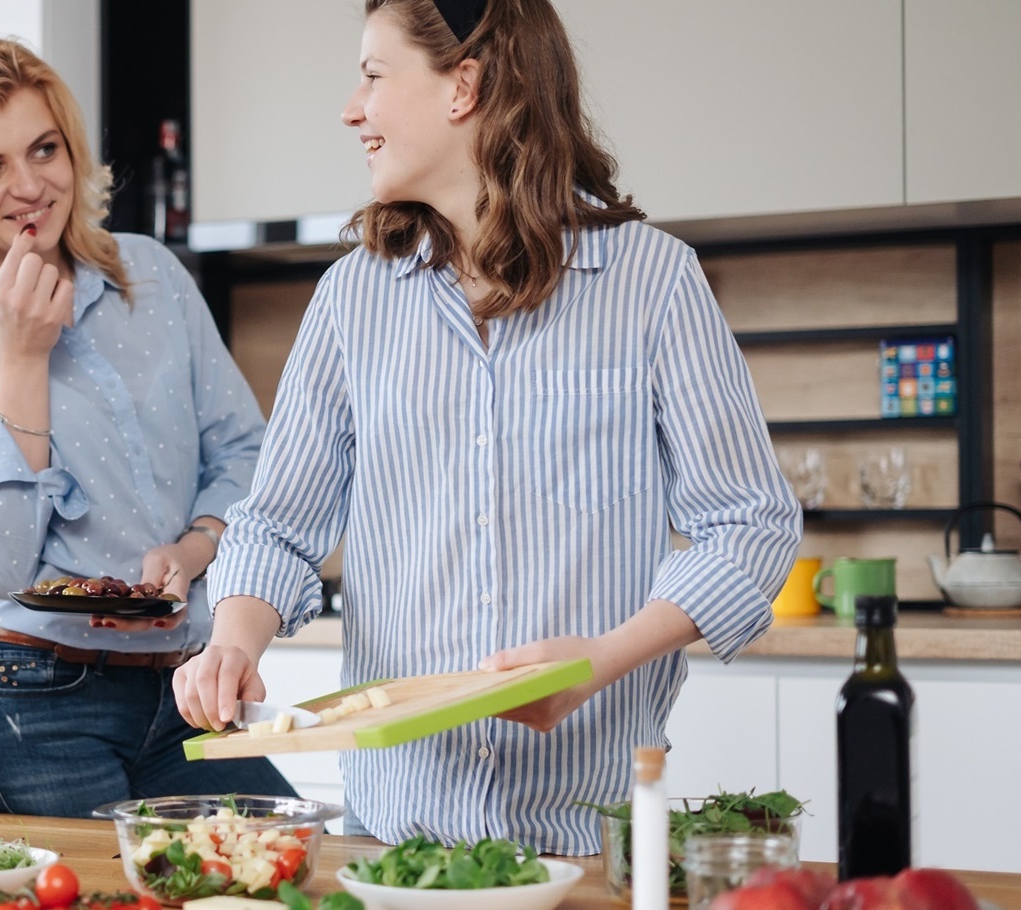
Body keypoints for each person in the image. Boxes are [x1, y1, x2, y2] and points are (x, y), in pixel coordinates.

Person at [173, 0, 802, 851]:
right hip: (396, 842)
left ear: (462, 85)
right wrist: (232, 641)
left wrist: (595, 662)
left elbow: (750, 528)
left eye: (371, 75)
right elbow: (279, 524)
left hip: (584, 835)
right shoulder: (352, 299)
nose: (350, 109)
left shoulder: (652, 283)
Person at [0, 37, 296, 816]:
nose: (29, 186)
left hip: (184, 684)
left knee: (281, 870)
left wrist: (194, 549)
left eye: (44, 149)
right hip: (30, 698)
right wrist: (20, 358)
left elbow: (245, 451)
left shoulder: (148, 274)